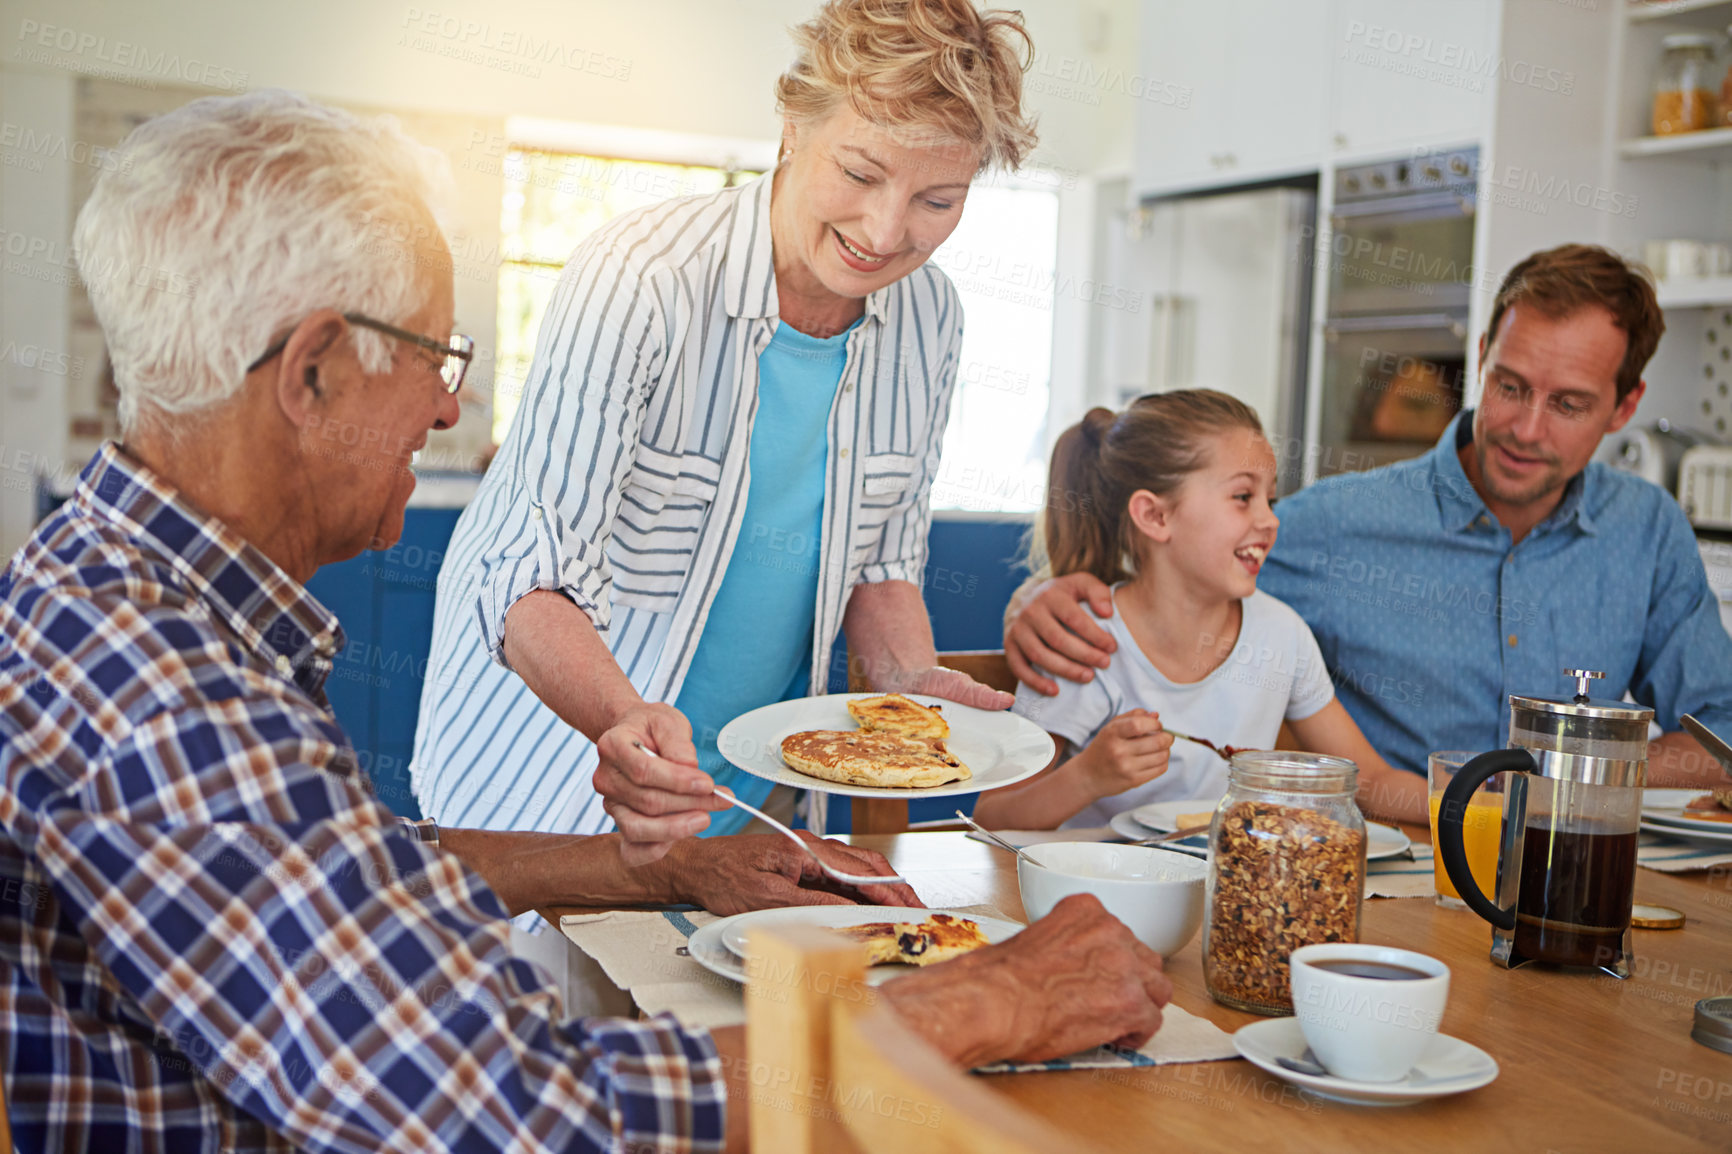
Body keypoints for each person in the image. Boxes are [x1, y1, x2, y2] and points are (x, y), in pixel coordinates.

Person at [0, 89, 1173, 1153]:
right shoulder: (165, 691)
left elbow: (330, 872)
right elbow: (515, 1108)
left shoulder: (130, 596)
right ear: (312, 373)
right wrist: (988, 999)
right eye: (433, 353)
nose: (453, 402)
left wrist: (653, 868)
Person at [415, 0, 1034, 861]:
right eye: (859, 174)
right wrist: (624, 721)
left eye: (936, 198)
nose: (886, 232)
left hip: (756, 807)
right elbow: (524, 577)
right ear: (792, 127)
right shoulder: (643, 281)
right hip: (557, 785)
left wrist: (903, 682)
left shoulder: (930, 317)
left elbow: (881, 564)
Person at [1007, 245, 1732, 797]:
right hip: (1396, 877)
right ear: (1480, 360)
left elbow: (1720, 731)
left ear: (1625, 407)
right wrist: (1039, 598)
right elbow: (1167, 574)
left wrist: (1552, 793)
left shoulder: (1647, 530)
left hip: (1577, 863)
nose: (1524, 427)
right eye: (1509, 386)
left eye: (1568, 404)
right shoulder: (1332, 525)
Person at [975, 391, 1425, 830]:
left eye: (1270, 498)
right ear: (1155, 516)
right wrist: (1087, 777)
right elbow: (993, 816)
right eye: (1243, 497)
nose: (1271, 520)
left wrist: (1481, 806)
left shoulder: (1282, 634)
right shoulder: (1081, 640)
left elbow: (1369, 779)